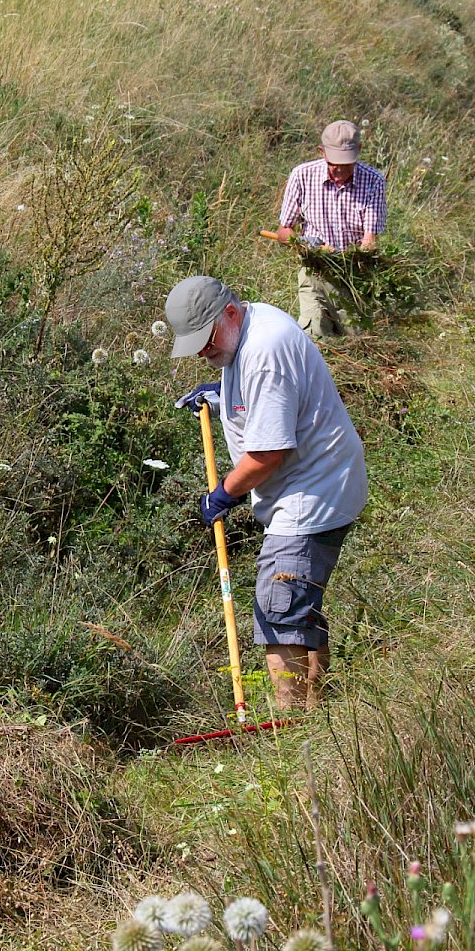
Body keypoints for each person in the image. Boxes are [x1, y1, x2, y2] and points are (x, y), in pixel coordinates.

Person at [164, 275, 368, 710]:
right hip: (316, 483)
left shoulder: (265, 350)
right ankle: (316, 711)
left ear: (230, 313)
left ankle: (288, 718)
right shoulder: (248, 331)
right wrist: (223, 394)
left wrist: (222, 494)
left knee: (280, 607)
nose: (203, 352)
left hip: (312, 492)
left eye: (206, 339)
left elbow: (267, 454)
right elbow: (264, 397)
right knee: (298, 605)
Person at [273, 119, 388, 340]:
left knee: (355, 339)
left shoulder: (374, 180)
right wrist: (306, 245)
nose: (340, 170)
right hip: (314, 270)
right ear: (321, 152)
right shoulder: (302, 175)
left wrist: (356, 255)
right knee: (313, 335)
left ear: (359, 152)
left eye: (347, 164)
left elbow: (370, 239)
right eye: (335, 163)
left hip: (352, 276)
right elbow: (284, 231)